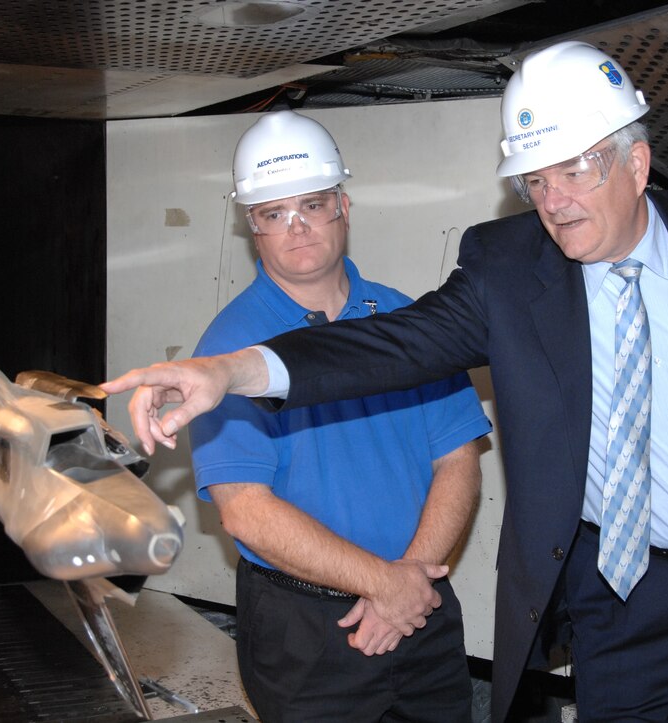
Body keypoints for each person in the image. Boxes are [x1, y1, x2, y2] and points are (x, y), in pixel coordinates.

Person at [104, 43, 668, 722]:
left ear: (637, 164)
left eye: (573, 171)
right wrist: (227, 370)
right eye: (535, 181)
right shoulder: (507, 272)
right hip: (624, 597)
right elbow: (390, 346)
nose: (554, 201)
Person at [179, 110, 491, 722]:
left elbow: (457, 458)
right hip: (306, 633)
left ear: (343, 207)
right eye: (275, 214)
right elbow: (246, 510)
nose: (297, 227)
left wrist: (405, 582)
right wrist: (382, 584)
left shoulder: (408, 321)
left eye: (313, 205)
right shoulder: (231, 351)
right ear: (252, 226)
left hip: (419, 605)